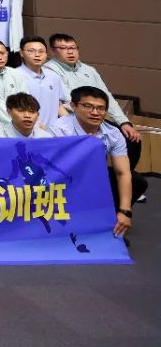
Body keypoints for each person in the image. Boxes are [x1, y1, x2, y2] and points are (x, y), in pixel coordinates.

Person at [50, 86, 139, 235]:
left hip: (93, 176)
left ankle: (112, 223)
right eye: (88, 106)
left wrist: (125, 211)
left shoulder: (113, 133)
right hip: (64, 180)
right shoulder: (59, 130)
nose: (95, 112)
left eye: (101, 108)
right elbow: (55, 170)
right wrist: (83, 149)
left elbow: (122, 173)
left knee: (137, 181)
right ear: (73, 106)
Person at [46, 33, 140, 144]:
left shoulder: (89, 70)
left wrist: (123, 122)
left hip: (95, 116)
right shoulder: (49, 70)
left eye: (73, 48)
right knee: (104, 142)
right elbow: (68, 101)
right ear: (53, 51)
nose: (70, 52)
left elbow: (106, 96)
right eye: (63, 48)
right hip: (71, 120)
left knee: (131, 138)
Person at [15, 36, 69, 130]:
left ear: (46, 54)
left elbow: (58, 105)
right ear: (21, 53)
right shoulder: (14, 76)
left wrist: (71, 125)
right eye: (31, 51)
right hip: (26, 132)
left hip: (52, 132)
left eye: (41, 51)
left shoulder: (54, 76)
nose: (37, 55)